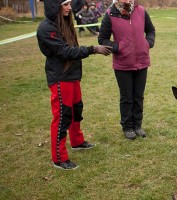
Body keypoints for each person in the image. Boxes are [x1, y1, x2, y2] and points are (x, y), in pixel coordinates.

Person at [37, 0, 112, 170]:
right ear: (54, 6)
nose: (69, 8)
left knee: (76, 109)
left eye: (69, 4)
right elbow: (65, 52)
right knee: (63, 116)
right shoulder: (46, 28)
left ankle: (77, 141)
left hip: (72, 76)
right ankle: (59, 158)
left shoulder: (64, 22)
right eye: (65, 4)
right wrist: (93, 49)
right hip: (60, 78)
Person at [98, 0, 155, 140]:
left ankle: (138, 125)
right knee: (127, 97)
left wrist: (148, 43)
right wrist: (118, 48)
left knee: (138, 96)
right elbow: (102, 39)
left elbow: (151, 30)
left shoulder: (140, 10)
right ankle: (128, 127)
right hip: (123, 64)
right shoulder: (110, 14)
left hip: (142, 61)